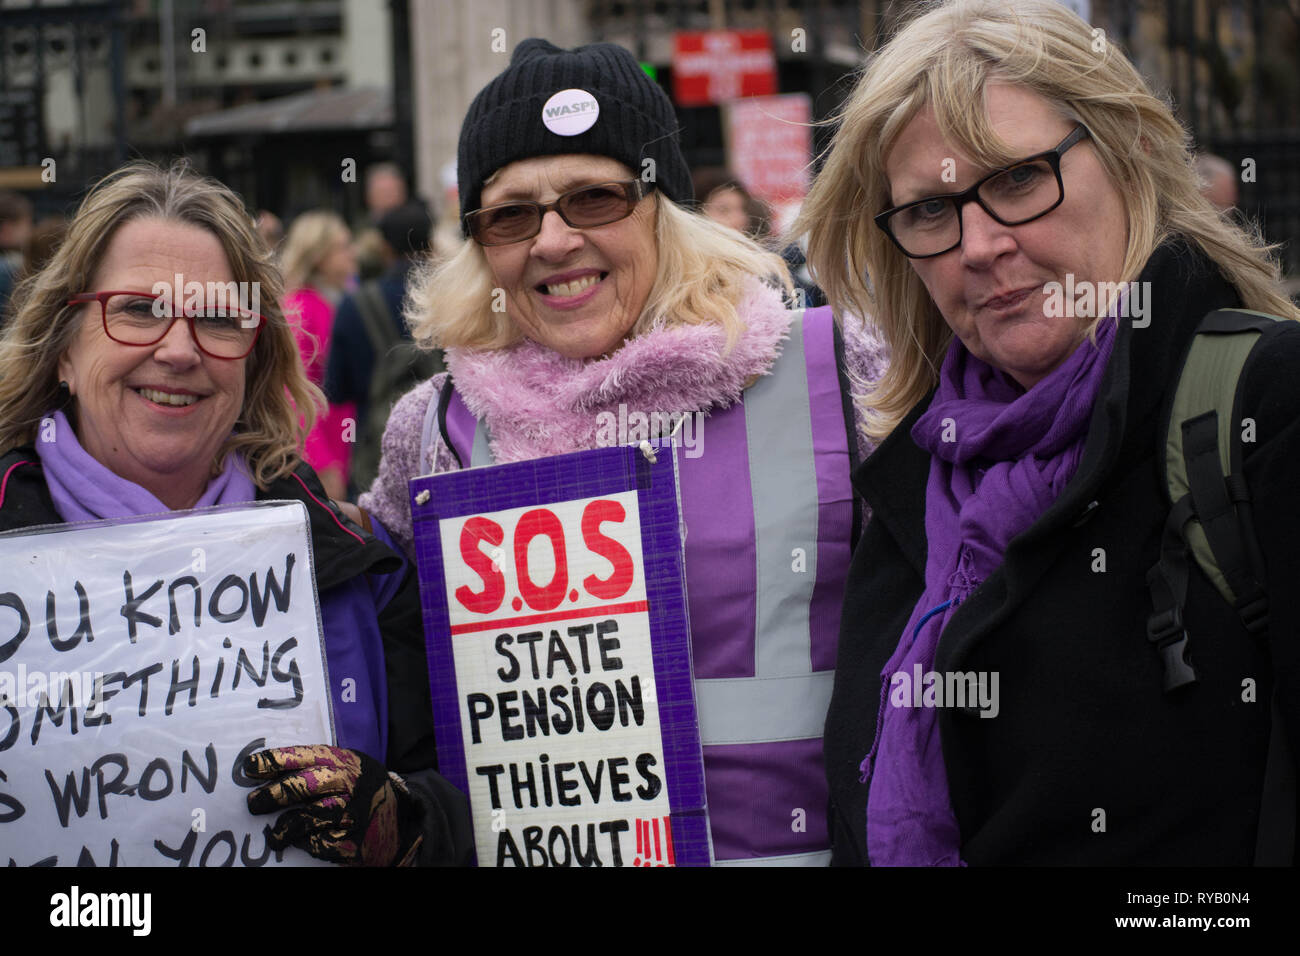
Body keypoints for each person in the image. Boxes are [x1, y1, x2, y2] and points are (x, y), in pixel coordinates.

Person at [360, 38, 889, 865]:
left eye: (594, 199)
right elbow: (393, 680)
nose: (554, 240)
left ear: (664, 210)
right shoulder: (433, 430)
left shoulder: (841, 367)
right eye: (511, 214)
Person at [797, 0, 1300, 865]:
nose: (980, 246)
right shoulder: (916, 480)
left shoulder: (1266, 404)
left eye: (1018, 178)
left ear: (1130, 154)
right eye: (929, 211)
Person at [0, 160, 472, 866]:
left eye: (220, 318)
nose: (180, 349)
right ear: (65, 347)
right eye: (139, 309)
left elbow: (476, 805)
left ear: (254, 357)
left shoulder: (359, 568)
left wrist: (402, 823)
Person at [325, 200, 444, 496]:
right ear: (430, 242)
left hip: (377, 454)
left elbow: (337, 389)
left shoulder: (355, 305)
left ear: (385, 248)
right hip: (448, 447)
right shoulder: (454, 295)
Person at [281, 211, 357, 500]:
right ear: (319, 256)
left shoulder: (338, 298)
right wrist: (322, 465)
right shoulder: (299, 309)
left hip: (347, 450)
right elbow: (292, 392)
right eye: (343, 246)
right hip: (327, 457)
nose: (352, 253)